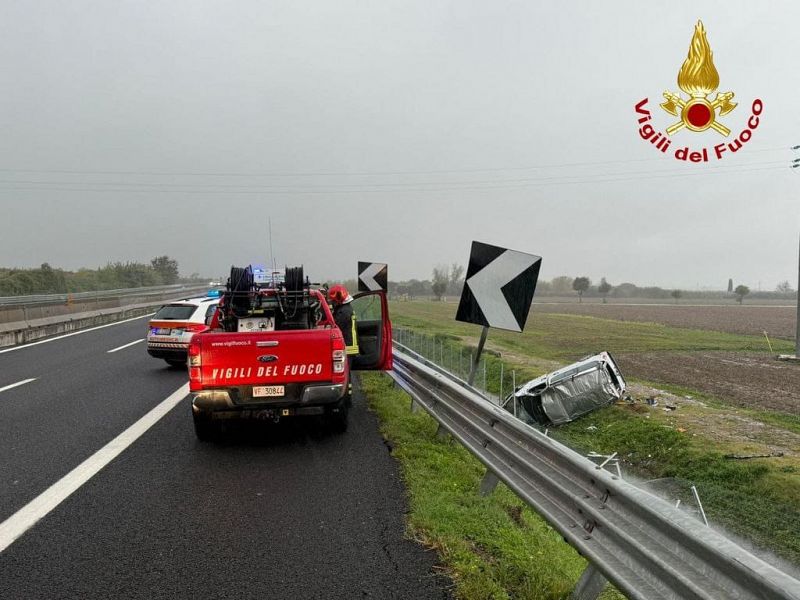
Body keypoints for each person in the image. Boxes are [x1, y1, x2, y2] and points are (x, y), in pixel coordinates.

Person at [328, 285, 359, 356]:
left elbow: (336, 326)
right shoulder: (346, 308)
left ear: (339, 298)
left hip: (348, 348)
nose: (332, 302)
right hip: (350, 345)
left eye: (333, 300)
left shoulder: (344, 311)